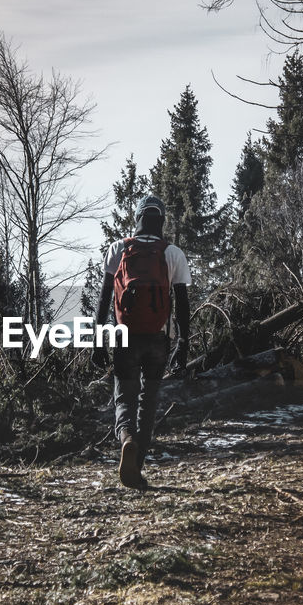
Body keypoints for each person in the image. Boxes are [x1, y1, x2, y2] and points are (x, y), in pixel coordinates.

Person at [93, 195, 191, 489]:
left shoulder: (118, 249)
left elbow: (103, 299)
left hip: (125, 337)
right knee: (148, 402)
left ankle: (127, 439)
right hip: (157, 340)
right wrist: (182, 343)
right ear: (161, 221)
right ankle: (137, 465)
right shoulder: (172, 253)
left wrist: (98, 343)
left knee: (124, 397)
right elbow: (183, 304)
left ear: (137, 219)